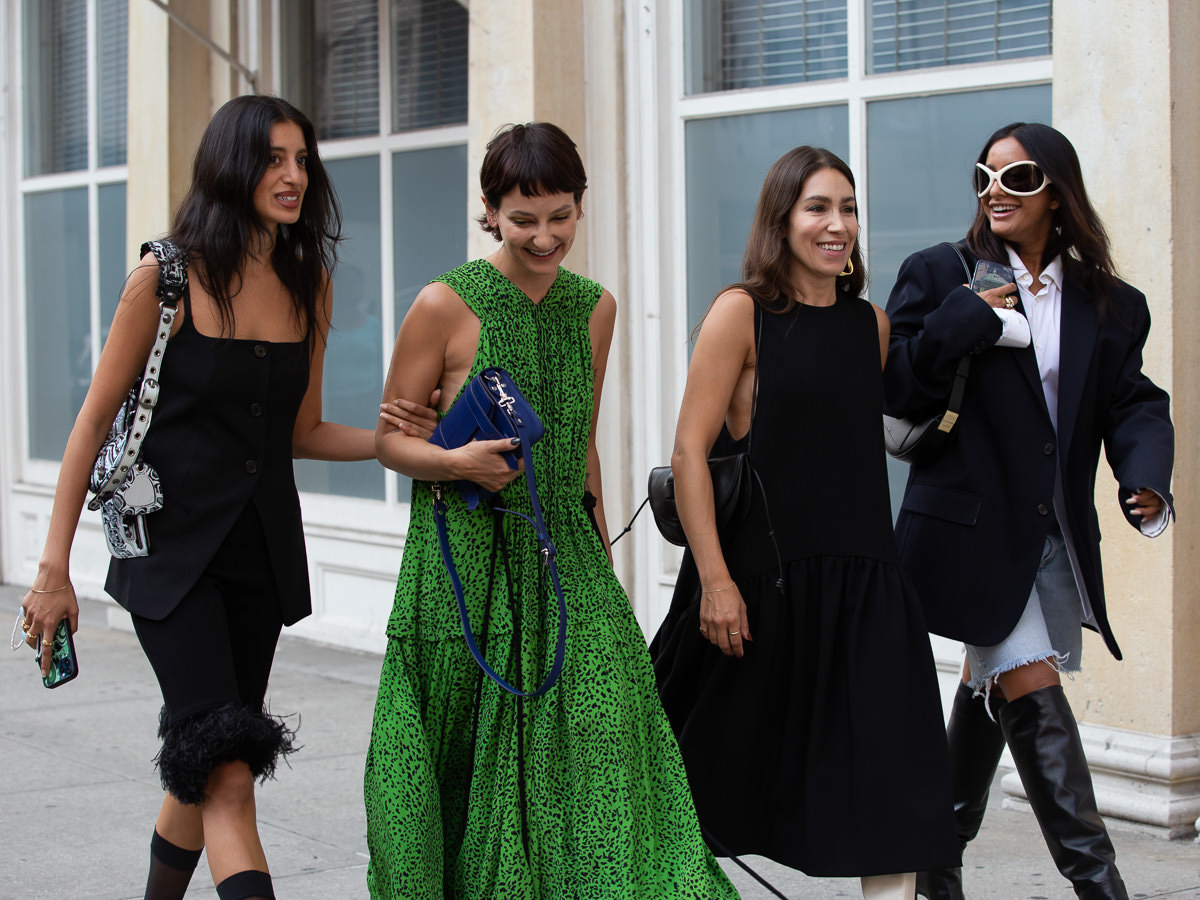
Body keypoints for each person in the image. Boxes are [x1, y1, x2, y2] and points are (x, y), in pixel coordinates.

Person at [16, 95, 435, 900]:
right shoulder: (165, 278)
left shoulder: (307, 283)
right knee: (230, 776)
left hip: (259, 562)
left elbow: (303, 432)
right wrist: (52, 569)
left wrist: (416, 450)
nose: (293, 176)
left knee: (204, 762)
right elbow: (90, 425)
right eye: (273, 159)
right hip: (171, 562)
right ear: (231, 166)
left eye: (302, 160)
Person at [366, 122, 737, 898]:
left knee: (605, 729)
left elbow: (582, 445)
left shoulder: (595, 307)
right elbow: (391, 442)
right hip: (461, 555)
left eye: (561, 216)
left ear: (579, 206)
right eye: (523, 219)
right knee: (461, 750)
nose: (544, 237)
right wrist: (452, 461)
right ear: (490, 210)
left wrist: (600, 559)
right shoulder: (443, 303)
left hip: (563, 547)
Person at [650, 146, 958, 899]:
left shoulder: (872, 325)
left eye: (848, 208)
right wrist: (717, 584)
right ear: (781, 220)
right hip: (762, 589)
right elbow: (690, 453)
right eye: (818, 208)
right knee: (702, 783)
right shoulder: (740, 313)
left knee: (893, 791)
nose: (838, 224)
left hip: (867, 590)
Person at [883, 123, 1174, 900]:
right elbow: (897, 386)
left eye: (1017, 179)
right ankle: (1101, 887)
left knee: (996, 688)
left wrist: (1143, 477)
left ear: (1057, 193)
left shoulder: (1109, 306)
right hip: (970, 533)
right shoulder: (941, 272)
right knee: (1030, 683)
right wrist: (966, 318)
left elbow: (1133, 404)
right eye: (986, 176)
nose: (995, 191)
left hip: (1050, 539)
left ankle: (934, 877)